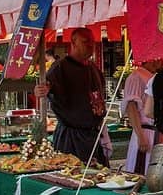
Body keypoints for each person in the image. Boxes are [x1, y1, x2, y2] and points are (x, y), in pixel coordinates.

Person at [35, 27, 110, 166]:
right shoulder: (60, 67)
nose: (90, 45)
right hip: (71, 139)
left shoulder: (94, 69)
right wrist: (41, 90)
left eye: (92, 42)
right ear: (74, 43)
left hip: (93, 136)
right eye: (85, 42)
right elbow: (47, 86)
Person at [120, 58, 163, 174]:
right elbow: (131, 107)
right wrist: (140, 136)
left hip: (155, 132)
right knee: (140, 172)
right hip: (144, 131)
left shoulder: (154, 77)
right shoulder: (136, 77)